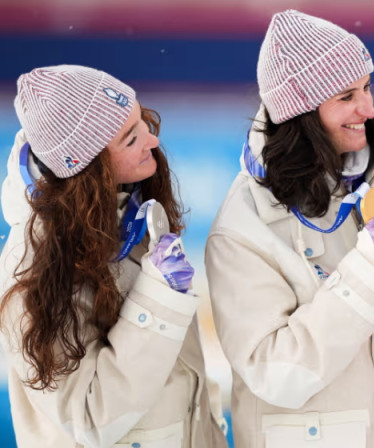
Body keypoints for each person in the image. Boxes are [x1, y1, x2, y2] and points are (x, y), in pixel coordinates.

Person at [204, 9, 374, 448]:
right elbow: (277, 374)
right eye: (347, 96)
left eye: (367, 87)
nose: (368, 108)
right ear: (301, 112)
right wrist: (366, 273)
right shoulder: (241, 230)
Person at [0, 65, 228, 447]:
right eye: (129, 138)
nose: (153, 142)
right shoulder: (31, 274)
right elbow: (90, 418)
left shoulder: (126, 210)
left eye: (142, 122)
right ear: (86, 166)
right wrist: (157, 300)